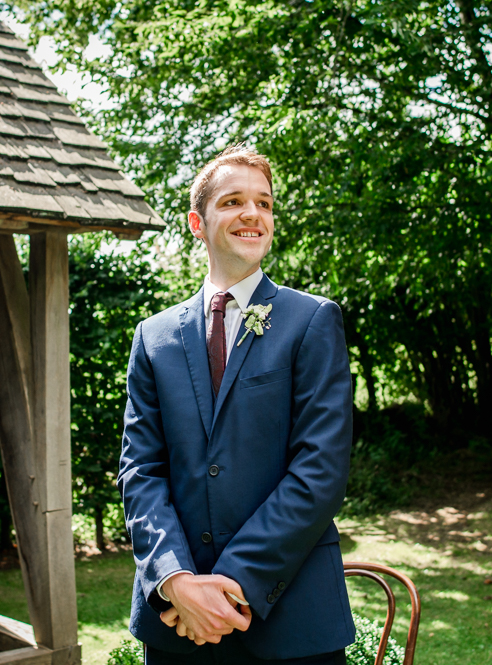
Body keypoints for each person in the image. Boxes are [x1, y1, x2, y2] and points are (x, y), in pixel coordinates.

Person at [118, 145, 356, 664]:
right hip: (176, 626)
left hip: (290, 622)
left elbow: (321, 470)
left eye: (264, 203)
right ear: (197, 223)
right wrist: (176, 580)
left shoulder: (312, 321)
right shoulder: (153, 337)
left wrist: (231, 585)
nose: (252, 214)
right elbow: (141, 470)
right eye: (232, 202)